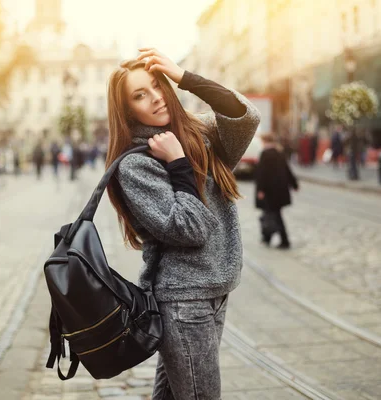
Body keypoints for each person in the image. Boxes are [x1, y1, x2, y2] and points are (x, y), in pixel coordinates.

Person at [106, 48, 260, 399]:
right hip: (183, 302)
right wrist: (177, 164)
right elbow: (189, 228)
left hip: (214, 291)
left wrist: (184, 77)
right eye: (139, 95)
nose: (156, 98)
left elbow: (245, 117)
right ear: (127, 110)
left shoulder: (198, 132)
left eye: (157, 85)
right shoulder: (136, 164)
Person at [255, 133, 299, 249]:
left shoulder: (265, 154)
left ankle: (283, 240)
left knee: (273, 215)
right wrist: (294, 184)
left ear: (265, 141)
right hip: (279, 191)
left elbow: (262, 174)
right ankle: (267, 238)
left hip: (270, 192)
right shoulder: (279, 152)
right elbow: (287, 169)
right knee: (272, 214)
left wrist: (260, 190)